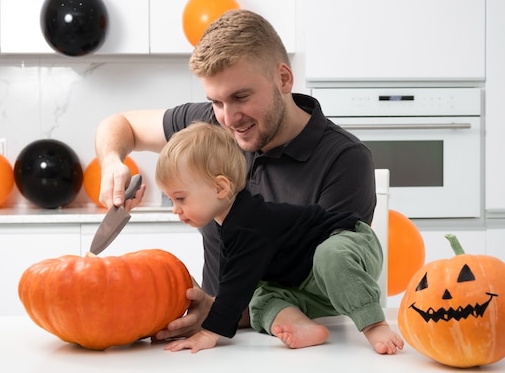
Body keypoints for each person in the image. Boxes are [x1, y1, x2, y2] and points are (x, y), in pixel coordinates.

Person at [94, 9, 376, 339]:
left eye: (241, 97)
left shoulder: (344, 160)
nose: (228, 119)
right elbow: (120, 124)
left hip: (300, 342)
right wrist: (112, 160)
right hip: (215, 338)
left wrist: (218, 311)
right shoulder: (208, 130)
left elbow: (322, 287)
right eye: (215, 101)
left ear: (283, 79)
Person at [154, 122, 403, 354]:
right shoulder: (230, 227)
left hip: (350, 242)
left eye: (180, 198)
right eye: (171, 200)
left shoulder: (248, 223)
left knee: (329, 256)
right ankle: (301, 325)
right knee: (259, 298)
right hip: (312, 286)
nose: (175, 209)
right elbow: (236, 285)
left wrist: (210, 332)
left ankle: (374, 324)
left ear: (220, 188)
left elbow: (234, 286)